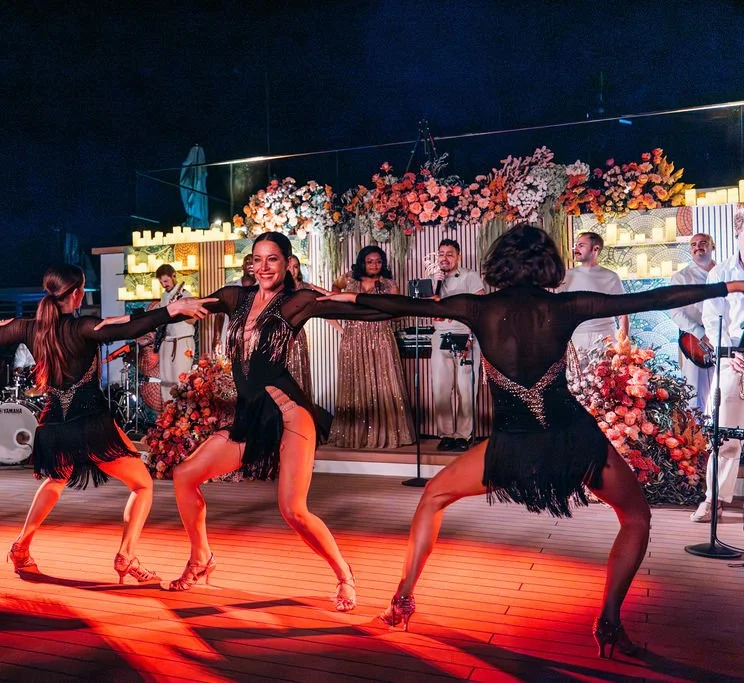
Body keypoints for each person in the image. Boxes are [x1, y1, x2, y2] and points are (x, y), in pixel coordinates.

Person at [319, 224, 737, 656]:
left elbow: (400, 305)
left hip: (512, 444)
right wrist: (729, 285)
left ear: (498, 261)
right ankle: (609, 620)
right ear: (548, 264)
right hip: (572, 439)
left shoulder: (473, 307)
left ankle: (402, 601)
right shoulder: (568, 305)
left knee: (433, 497)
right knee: (636, 517)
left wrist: (343, 298)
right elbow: (650, 300)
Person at [111, 233, 400, 611]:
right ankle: (201, 558)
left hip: (289, 414)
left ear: (287, 263)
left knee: (293, 509)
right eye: (258, 259)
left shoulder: (297, 302)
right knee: (184, 477)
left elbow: (362, 309)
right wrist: (157, 312)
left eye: (273, 260)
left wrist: (415, 305)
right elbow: (181, 309)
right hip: (250, 415)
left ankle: (344, 574)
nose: (263, 267)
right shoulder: (235, 297)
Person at [0, 264, 213, 580]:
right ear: (76, 293)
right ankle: (125, 556)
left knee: (55, 480)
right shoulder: (83, 327)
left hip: (52, 424)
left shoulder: (28, 328)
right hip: (91, 423)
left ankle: (20, 547)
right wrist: (174, 310)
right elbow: (130, 327)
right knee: (142, 485)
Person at [327, 245, 415, 449]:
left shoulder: (389, 284)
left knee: (383, 383)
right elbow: (334, 288)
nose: (375, 265)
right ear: (362, 263)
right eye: (370, 261)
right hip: (353, 338)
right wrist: (341, 322)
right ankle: (355, 435)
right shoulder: (349, 279)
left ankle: (386, 434)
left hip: (380, 337)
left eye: (378, 261)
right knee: (356, 382)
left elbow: (396, 309)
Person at [695, 217, 744, 523]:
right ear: (737, 234)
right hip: (732, 359)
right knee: (724, 433)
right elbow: (712, 319)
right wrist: (730, 353)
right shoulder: (722, 272)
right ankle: (714, 500)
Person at [429, 239, 485, 451]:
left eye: (449, 254)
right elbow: (427, 307)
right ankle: (445, 435)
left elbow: (479, 308)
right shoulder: (433, 279)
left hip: (466, 335)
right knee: (441, 388)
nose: (444, 257)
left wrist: (470, 336)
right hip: (440, 336)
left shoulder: (470, 277)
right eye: (441, 253)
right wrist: (435, 285)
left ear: (458, 257)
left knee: (466, 388)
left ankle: (463, 435)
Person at [559, 232, 628, 371]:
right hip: (577, 336)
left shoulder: (611, 277)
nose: (575, 249)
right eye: (576, 245)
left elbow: (623, 313)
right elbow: (559, 312)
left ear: (595, 249)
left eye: (581, 245)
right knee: (577, 382)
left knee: (607, 380)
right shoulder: (567, 276)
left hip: (605, 336)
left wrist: (624, 345)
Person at [669, 233, 716, 413]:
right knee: (694, 397)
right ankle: (696, 438)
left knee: (729, 392)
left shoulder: (724, 272)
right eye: (693, 244)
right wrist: (701, 334)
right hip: (695, 342)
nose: (698, 247)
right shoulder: (681, 277)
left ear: (713, 247)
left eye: (703, 243)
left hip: (725, 341)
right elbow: (676, 312)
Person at [155, 264, 196, 395]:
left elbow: (193, 320)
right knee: (166, 382)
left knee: (181, 381)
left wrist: (178, 309)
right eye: (161, 282)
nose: (164, 285)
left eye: (166, 281)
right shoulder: (163, 296)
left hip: (182, 342)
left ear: (174, 276)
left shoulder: (185, 295)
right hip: (166, 341)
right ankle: (168, 413)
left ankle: (182, 413)